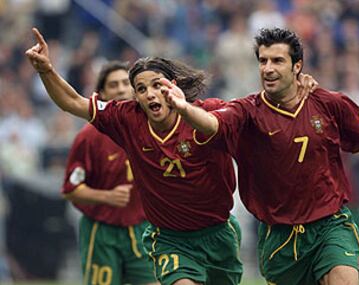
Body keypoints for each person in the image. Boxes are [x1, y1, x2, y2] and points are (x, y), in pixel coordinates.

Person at [160, 27, 359, 285]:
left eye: (278, 60)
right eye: (263, 61)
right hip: (279, 238)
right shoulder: (247, 112)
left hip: (330, 225)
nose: (268, 68)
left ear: (297, 66)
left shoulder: (330, 104)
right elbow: (213, 124)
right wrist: (184, 108)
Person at [26, 28, 243, 285]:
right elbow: (73, 102)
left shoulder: (208, 113)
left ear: (173, 86)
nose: (149, 93)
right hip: (170, 238)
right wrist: (45, 70)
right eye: (141, 88)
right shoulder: (126, 118)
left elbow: (250, 115)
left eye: (156, 85)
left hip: (217, 232)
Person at [61, 61, 158, 285]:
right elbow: (70, 189)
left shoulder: (153, 127)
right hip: (101, 230)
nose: (121, 89)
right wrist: (107, 196)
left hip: (142, 228)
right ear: (102, 94)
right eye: (113, 85)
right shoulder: (88, 137)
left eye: (126, 83)